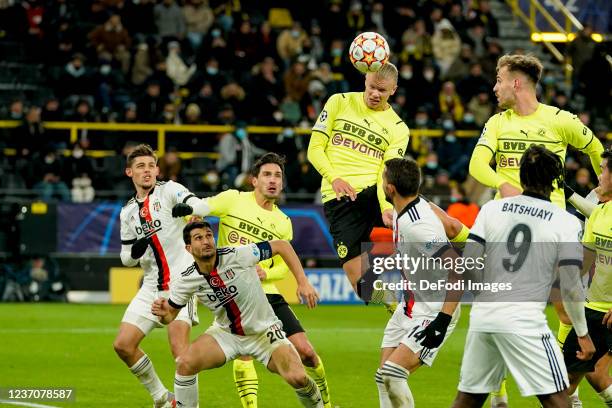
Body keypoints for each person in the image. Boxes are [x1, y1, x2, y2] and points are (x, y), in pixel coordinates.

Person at [468, 53, 604, 407]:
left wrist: (602, 194)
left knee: (563, 308)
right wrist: (502, 182)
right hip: (508, 223)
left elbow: (595, 148)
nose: (494, 87)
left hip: (550, 227)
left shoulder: (560, 120)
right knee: (496, 298)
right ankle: (501, 393)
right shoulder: (498, 123)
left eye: (499, 80)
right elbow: (476, 164)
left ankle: (567, 389)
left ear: (516, 82)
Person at [171, 153, 331, 408]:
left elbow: (282, 263)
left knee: (307, 353)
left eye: (277, 176)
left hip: (267, 293)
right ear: (254, 180)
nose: (273, 180)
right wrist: (189, 211)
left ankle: (326, 399)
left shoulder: (283, 222)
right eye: (267, 175)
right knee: (243, 354)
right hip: (234, 293)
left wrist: (269, 274)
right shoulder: (234, 200)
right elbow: (203, 206)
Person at [445, 145, 596, 408]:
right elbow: (570, 285)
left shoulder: (492, 209)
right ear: (554, 181)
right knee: (557, 397)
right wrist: (582, 333)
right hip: (524, 320)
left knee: (468, 398)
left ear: (521, 175)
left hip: (484, 316)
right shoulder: (565, 221)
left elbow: (467, 262)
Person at [306, 62, 469, 303]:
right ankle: (393, 305)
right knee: (361, 283)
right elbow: (314, 149)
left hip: (379, 190)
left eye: (382, 90)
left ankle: (485, 255)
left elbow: (386, 171)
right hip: (340, 199)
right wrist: (334, 178)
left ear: (393, 90)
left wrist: (385, 205)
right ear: (365, 80)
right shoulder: (339, 101)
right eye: (372, 87)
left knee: (449, 224)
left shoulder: (398, 127)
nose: (374, 94)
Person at [151, 221, 322, 408]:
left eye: (209, 235)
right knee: (185, 364)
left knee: (298, 378)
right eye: (199, 238)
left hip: (264, 331)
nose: (206, 241)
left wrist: (303, 282)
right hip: (226, 334)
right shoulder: (187, 279)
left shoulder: (238, 255)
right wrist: (162, 314)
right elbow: (170, 315)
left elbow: (282, 245)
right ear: (189, 248)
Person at [114, 144, 200, 408]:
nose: (147, 170)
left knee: (181, 353)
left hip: (181, 284)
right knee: (123, 345)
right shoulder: (128, 212)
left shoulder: (170, 190)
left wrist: (189, 209)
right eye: (141, 166)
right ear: (130, 172)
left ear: (158, 170)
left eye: (151, 165)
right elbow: (126, 259)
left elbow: (195, 203)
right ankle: (162, 398)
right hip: (152, 287)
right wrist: (137, 248)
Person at [375, 158, 461, 407]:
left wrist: (442, 321)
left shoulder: (417, 226)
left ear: (390, 188)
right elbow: (453, 228)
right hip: (409, 305)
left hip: (434, 310)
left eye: (383, 179)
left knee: (393, 373)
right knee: (383, 377)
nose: (381, 183)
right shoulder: (416, 206)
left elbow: (458, 269)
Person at [563, 149, 612, 407]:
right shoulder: (600, 214)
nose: (600, 175)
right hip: (594, 309)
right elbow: (585, 260)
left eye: (603, 169)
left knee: (596, 373)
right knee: (565, 379)